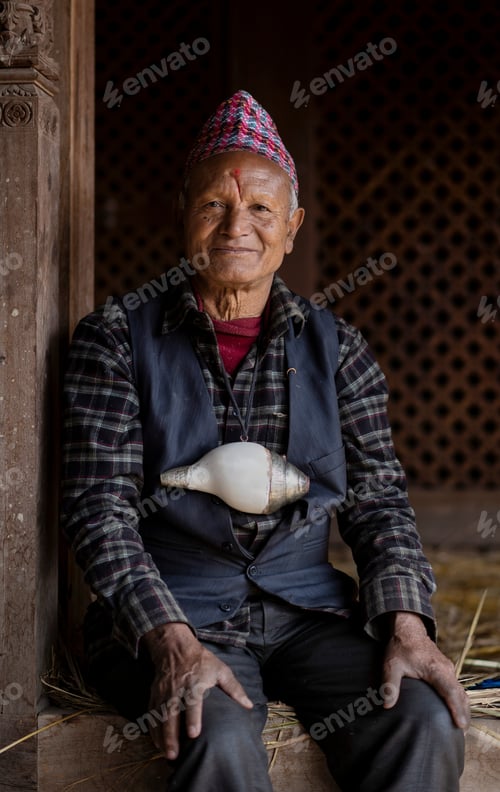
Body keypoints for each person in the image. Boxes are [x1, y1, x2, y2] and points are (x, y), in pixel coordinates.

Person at [62, 90, 469, 791]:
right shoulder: (115, 340)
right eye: (214, 204)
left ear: (292, 226)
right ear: (182, 212)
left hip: (308, 611)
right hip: (175, 609)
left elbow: (379, 505)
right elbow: (98, 511)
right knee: (210, 731)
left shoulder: (339, 351)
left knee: (423, 719)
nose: (235, 227)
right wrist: (171, 642)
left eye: (259, 208)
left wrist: (408, 625)